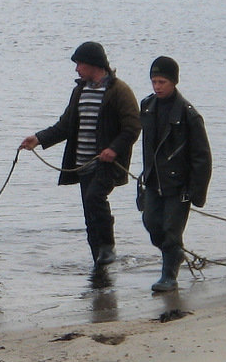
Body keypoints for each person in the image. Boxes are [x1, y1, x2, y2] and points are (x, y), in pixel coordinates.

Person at [20, 41, 141, 268]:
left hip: (107, 164)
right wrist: (38, 139)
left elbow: (133, 127)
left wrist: (114, 149)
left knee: (95, 198)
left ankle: (107, 247)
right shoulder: (80, 90)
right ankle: (100, 267)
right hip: (82, 164)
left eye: (79, 64)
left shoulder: (119, 91)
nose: (76, 69)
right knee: (89, 216)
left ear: (93, 64)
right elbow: (65, 126)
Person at [137, 56, 212, 293]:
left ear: (173, 82)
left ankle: (169, 276)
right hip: (152, 181)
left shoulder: (190, 115)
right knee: (151, 224)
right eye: (154, 81)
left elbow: (202, 157)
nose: (157, 86)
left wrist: (196, 192)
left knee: (171, 229)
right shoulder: (147, 107)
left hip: (179, 186)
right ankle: (175, 254)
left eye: (162, 82)